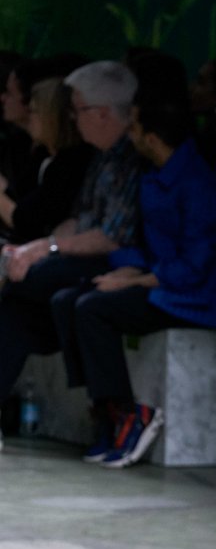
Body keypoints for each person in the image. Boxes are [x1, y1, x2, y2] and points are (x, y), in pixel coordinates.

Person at [51, 94, 216, 466]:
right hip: (160, 282)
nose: (129, 135)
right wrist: (126, 268)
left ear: (151, 137)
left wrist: (134, 283)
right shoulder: (153, 176)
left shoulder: (198, 183)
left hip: (195, 296)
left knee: (93, 309)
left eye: (134, 128)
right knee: (66, 300)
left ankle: (128, 414)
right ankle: (105, 409)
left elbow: (194, 267)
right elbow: (147, 246)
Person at [0, 61, 141, 407]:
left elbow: (111, 236)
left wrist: (45, 248)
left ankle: (110, 411)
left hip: (122, 264)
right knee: (16, 312)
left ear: (103, 113)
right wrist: (37, 248)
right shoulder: (101, 158)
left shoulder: (129, 158)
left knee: (31, 281)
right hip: (84, 262)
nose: (73, 119)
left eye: (79, 110)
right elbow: (79, 218)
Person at [0, 77, 94, 245]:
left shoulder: (70, 164)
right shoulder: (42, 154)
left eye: (33, 111)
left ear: (51, 117)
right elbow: (19, 197)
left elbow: (24, 220)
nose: (28, 118)